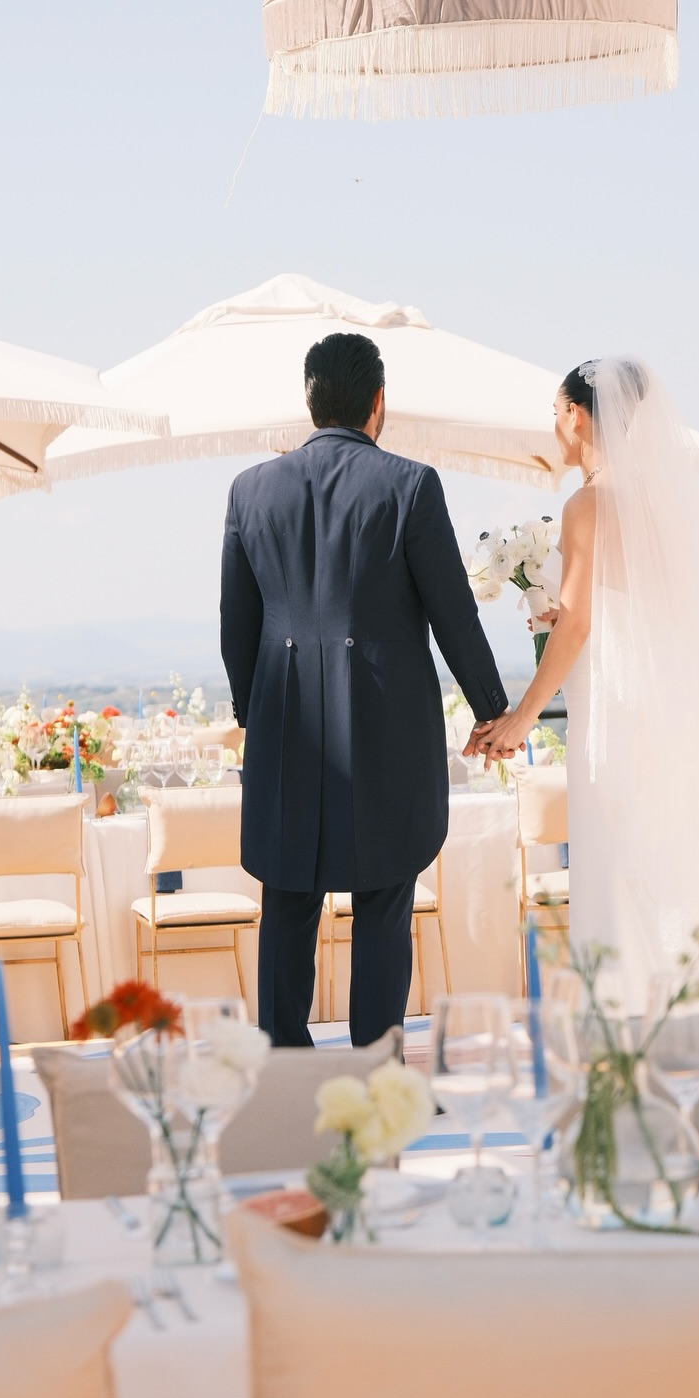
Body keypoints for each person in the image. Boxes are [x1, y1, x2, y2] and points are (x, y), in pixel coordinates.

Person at [220, 330, 508, 1047]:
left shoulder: (249, 490)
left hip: (285, 723)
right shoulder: (410, 485)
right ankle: (377, 1070)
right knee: (383, 895)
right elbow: (453, 613)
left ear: (310, 401)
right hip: (384, 728)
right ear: (380, 403)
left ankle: (283, 1067)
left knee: (288, 896)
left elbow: (236, 622)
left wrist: (252, 710)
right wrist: (491, 709)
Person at [481, 358, 699, 1006]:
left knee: (616, 868)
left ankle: (627, 1020)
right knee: (659, 863)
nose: (554, 430)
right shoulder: (666, 506)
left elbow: (579, 624)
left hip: (611, 704)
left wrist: (525, 715)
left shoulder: (588, 501)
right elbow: (648, 608)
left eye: (556, 415)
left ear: (577, 416)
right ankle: (683, 1017)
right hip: (665, 704)